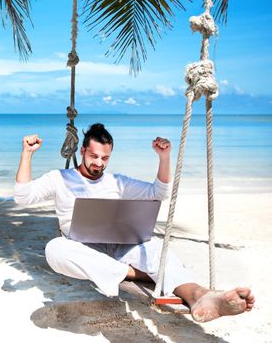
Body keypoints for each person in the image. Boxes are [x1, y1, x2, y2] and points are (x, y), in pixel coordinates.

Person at [14, 123, 255, 323]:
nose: (99, 163)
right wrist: (27, 154)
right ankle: (133, 273)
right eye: (94, 156)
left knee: (157, 249)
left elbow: (158, 193)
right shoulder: (59, 178)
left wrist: (164, 157)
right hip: (83, 249)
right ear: (83, 150)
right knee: (54, 248)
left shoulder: (117, 182)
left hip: (119, 246)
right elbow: (23, 197)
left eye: (105, 158)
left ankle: (202, 296)